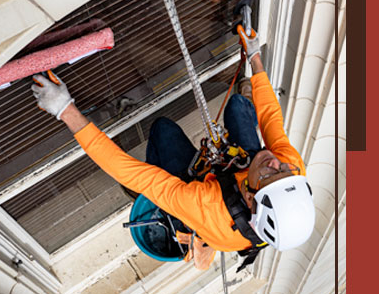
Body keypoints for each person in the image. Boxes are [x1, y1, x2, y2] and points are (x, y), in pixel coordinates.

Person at [31, 28, 315, 271]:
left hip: (214, 197)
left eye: (272, 174)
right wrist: (255, 57)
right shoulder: (289, 171)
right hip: (240, 174)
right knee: (241, 107)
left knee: (162, 130)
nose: (276, 162)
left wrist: (65, 111)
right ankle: (244, 107)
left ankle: (151, 195)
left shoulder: (205, 207)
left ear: (252, 200)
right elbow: (272, 120)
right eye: (287, 169)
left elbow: (132, 173)